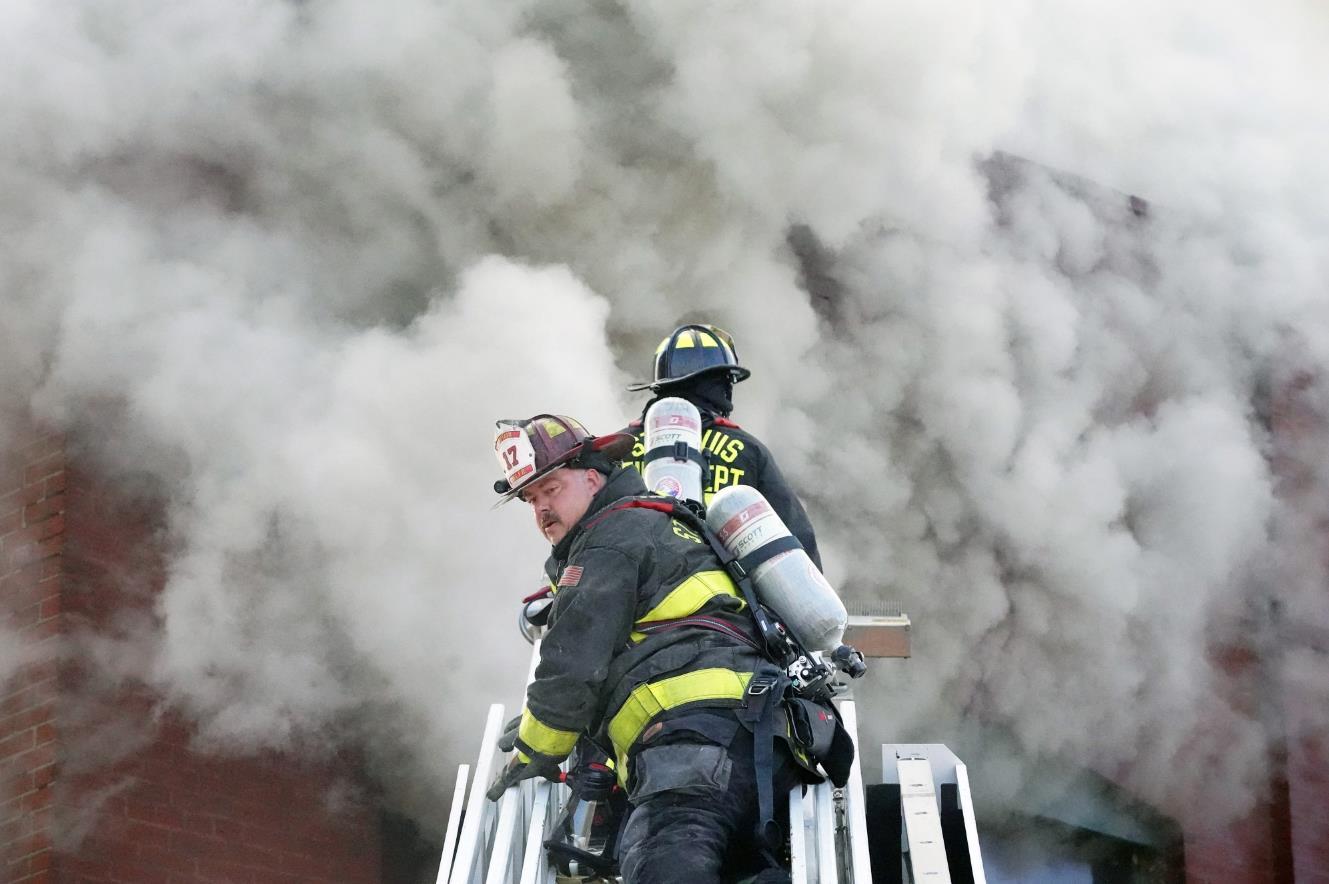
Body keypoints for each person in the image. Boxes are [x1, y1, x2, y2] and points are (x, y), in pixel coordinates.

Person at [487, 414, 805, 884]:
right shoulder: (660, 523)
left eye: (551, 490)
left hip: (692, 750)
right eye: (531, 501)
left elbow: (571, 666)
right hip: (758, 744)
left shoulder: (609, 541)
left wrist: (537, 747)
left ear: (593, 477)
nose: (541, 510)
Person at [621, 323, 822, 568]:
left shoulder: (617, 448)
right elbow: (796, 540)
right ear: (721, 384)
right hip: (722, 601)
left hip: (630, 596)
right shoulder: (747, 449)